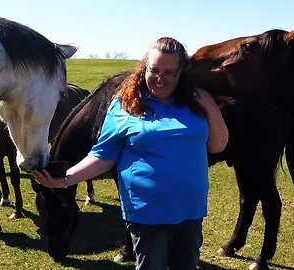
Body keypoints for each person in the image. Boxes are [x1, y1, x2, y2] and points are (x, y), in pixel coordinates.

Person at [32, 37, 228, 270]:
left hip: (191, 209)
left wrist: (212, 109)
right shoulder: (126, 105)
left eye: (168, 73)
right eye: (153, 70)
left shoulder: (194, 103)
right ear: (144, 67)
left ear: (180, 73)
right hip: (148, 212)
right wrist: (65, 179)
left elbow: (217, 146)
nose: (159, 78)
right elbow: (103, 155)